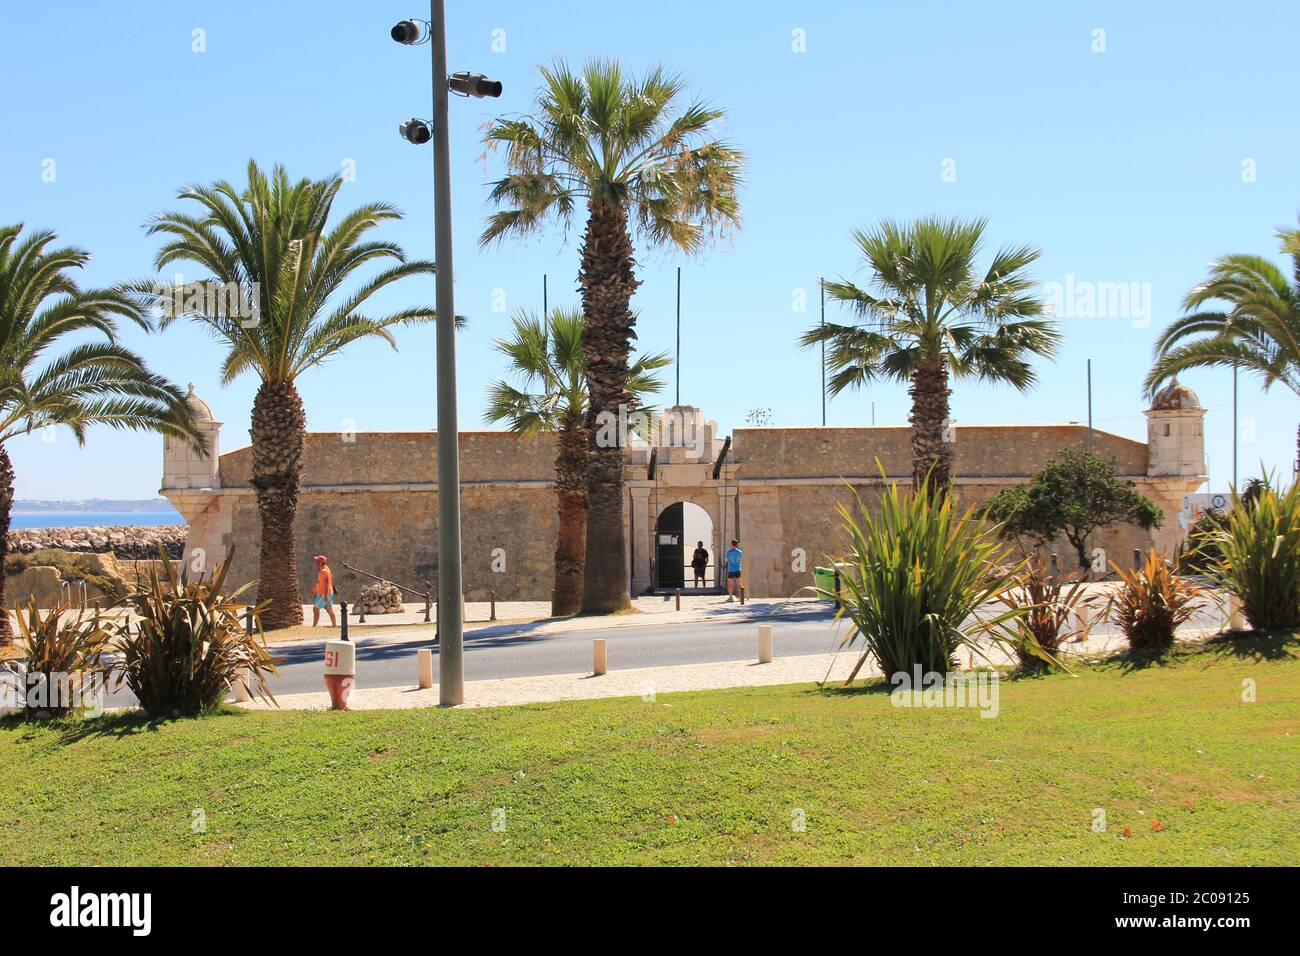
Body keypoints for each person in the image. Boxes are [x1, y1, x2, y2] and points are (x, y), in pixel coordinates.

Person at [312, 554, 337, 627]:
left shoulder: (324, 571)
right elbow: (320, 581)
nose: (316, 563)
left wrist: (325, 596)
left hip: (324, 593)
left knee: (315, 608)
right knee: (329, 609)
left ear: (320, 562)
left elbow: (326, 583)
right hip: (327, 592)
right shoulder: (326, 568)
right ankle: (334, 626)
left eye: (317, 561)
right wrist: (315, 588)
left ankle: (314, 625)